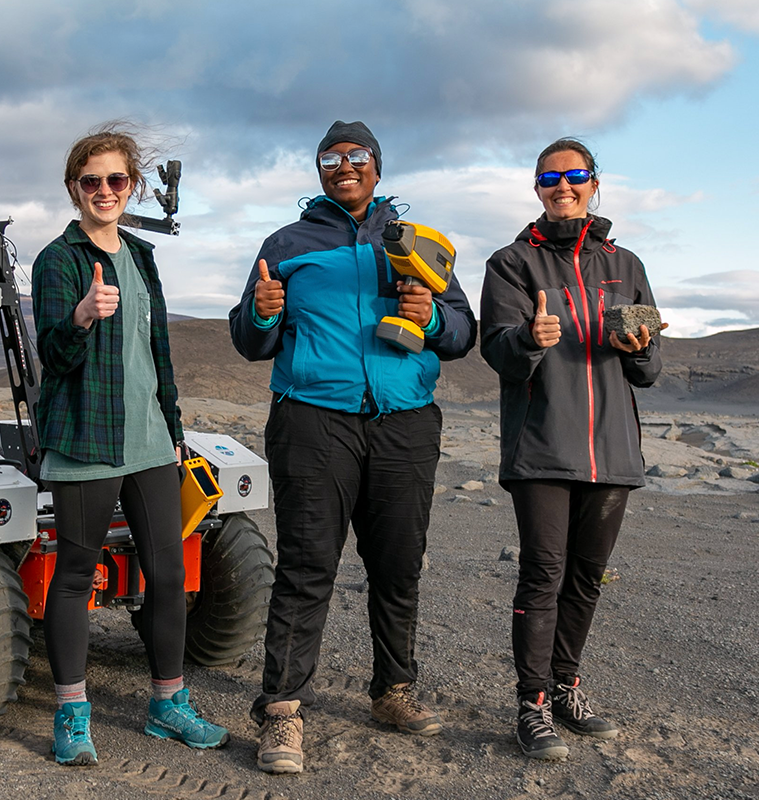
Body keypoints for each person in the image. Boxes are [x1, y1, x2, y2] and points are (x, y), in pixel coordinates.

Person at [229, 120, 476, 774]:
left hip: (404, 421)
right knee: (307, 565)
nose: (344, 165)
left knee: (397, 563)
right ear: (319, 169)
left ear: (377, 166)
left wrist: (432, 317)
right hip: (313, 421)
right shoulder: (288, 242)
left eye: (356, 156)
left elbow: (461, 333)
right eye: (330, 157)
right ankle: (281, 711)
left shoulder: (415, 242)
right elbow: (251, 341)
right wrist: (262, 311)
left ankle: (393, 691)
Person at [32, 124, 228, 766]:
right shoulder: (57, 260)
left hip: (149, 442)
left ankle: (168, 705)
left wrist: (173, 431)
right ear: (73, 190)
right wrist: (82, 316)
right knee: (74, 577)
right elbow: (54, 358)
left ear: (132, 185)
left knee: (168, 575)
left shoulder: (143, 257)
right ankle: (71, 713)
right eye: (92, 181)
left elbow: (158, 354)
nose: (105, 191)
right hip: (85, 441)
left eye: (117, 180)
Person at [480, 138, 664, 760]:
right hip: (541, 447)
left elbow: (649, 368)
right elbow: (497, 352)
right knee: (543, 575)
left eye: (576, 175)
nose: (564, 185)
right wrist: (530, 337)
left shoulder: (626, 264)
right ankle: (530, 705)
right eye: (550, 176)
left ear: (594, 183)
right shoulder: (511, 264)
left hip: (612, 449)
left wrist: (640, 347)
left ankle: (566, 689)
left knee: (585, 579)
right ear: (536, 187)